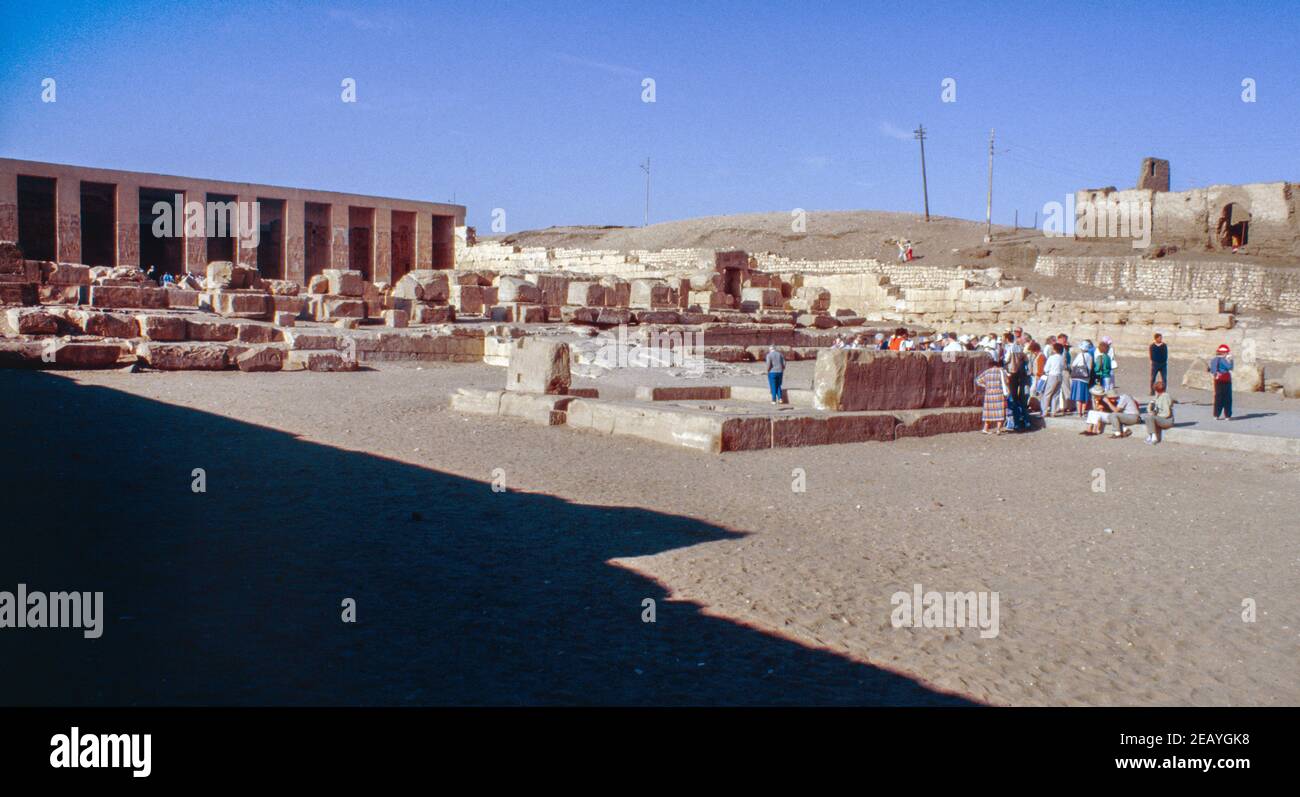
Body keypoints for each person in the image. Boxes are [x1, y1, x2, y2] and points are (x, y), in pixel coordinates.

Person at [975, 354, 1009, 435]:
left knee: (988, 412)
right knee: (999, 411)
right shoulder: (1001, 372)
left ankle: (985, 428)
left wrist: (985, 385)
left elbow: (977, 380)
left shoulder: (986, 372)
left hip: (989, 394)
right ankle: (998, 429)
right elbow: (1007, 381)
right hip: (999, 393)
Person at [1068, 342, 1094, 418]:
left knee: (1078, 396)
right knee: (1085, 396)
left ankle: (1079, 413)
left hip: (1078, 377)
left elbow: (1073, 365)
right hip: (1086, 377)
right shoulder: (1090, 356)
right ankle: (1083, 411)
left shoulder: (1080, 355)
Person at [1208, 344, 1233, 420]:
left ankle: (1216, 415)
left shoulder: (1214, 360)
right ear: (1224, 353)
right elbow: (1230, 367)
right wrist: (1230, 361)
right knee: (1227, 398)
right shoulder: (1223, 360)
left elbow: (1212, 370)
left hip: (1218, 379)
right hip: (1225, 379)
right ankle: (1227, 415)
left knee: (1218, 397)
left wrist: (1216, 373)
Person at [1040, 342, 1065, 417]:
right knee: (1056, 394)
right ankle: (1053, 411)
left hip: (1052, 375)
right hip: (1060, 375)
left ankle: (1044, 411)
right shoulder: (1062, 358)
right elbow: (1063, 367)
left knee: (1047, 394)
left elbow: (1046, 368)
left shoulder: (1052, 357)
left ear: (1055, 350)